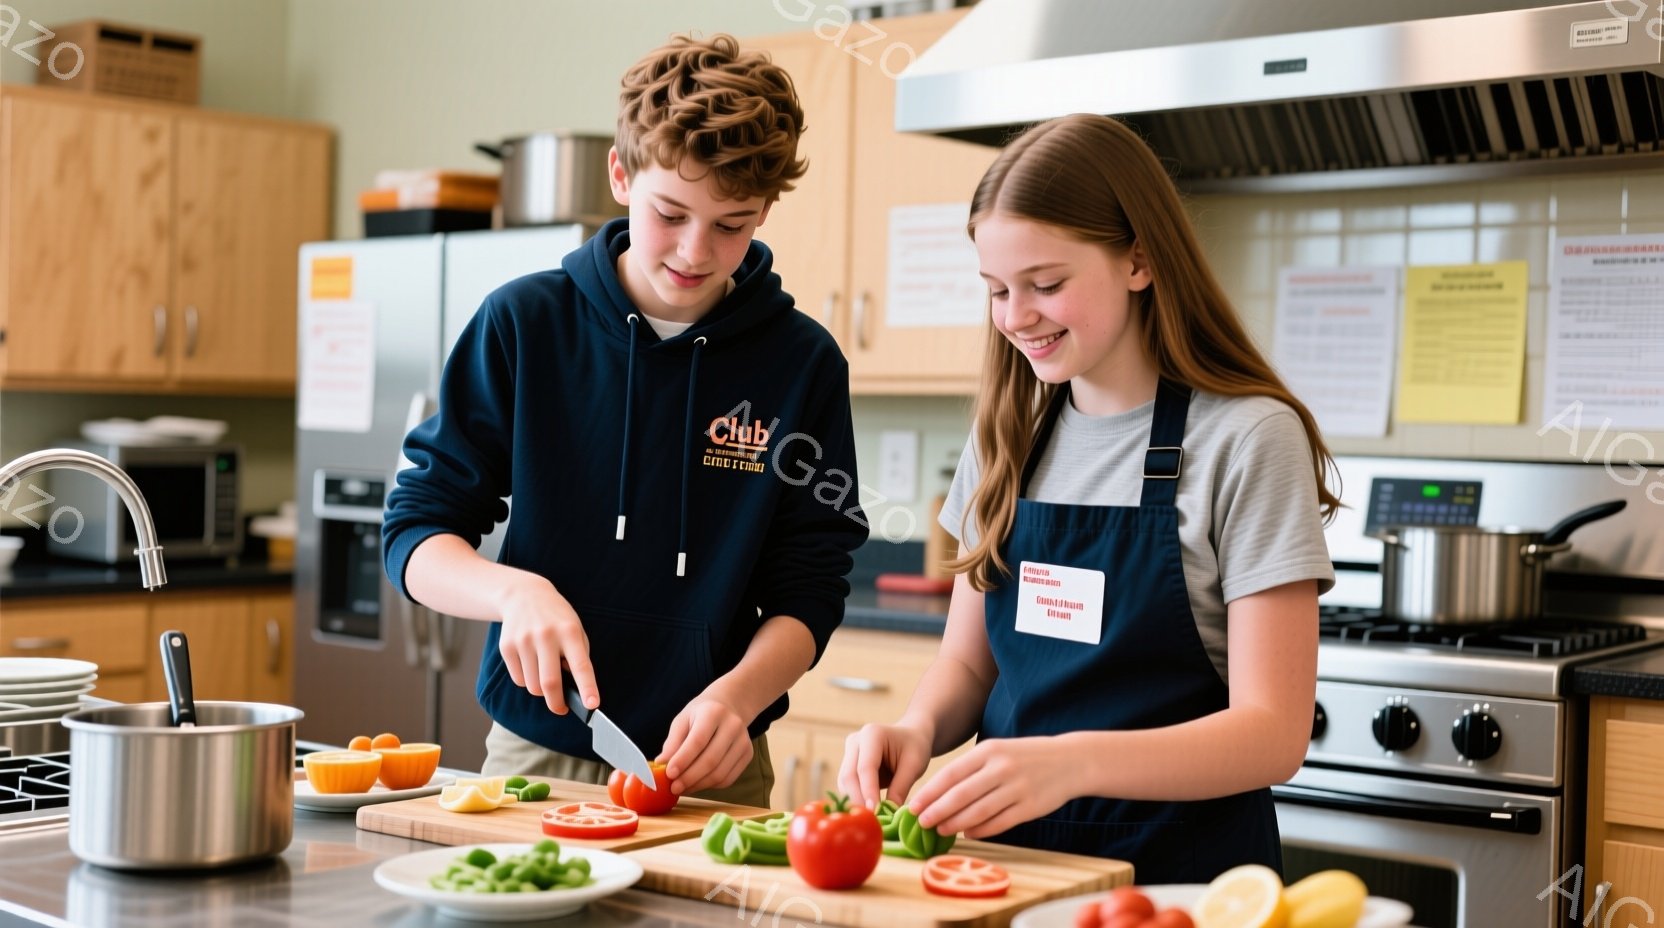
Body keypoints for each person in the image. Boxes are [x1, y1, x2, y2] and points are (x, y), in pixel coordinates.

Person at [837, 113, 1339, 882]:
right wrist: (916, 728)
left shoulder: (1246, 438)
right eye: (998, 290)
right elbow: (970, 668)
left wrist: (1068, 765)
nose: (1014, 317)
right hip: (1001, 870)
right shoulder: (1006, 434)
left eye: (1046, 284)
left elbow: (1273, 734)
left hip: (1177, 879)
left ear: (1139, 260)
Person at [382, 34, 868, 808]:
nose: (694, 252)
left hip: (716, 759)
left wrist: (738, 698)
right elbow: (413, 534)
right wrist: (512, 593)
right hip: (536, 749)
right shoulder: (524, 324)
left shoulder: (802, 363)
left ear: (765, 211)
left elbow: (810, 586)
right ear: (621, 174)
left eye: (732, 225)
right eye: (669, 213)